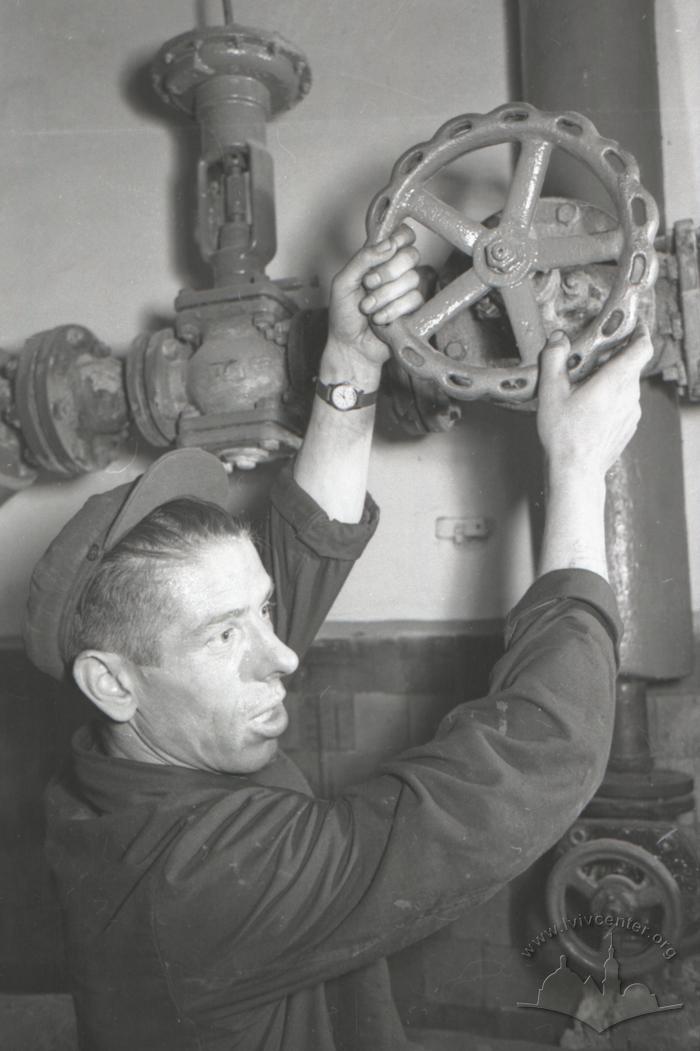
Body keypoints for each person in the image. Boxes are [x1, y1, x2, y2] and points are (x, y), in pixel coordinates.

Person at [24, 223, 651, 1051]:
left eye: (259, 609)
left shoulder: (132, 748)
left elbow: (306, 537)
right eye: (224, 637)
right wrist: (575, 468)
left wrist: (349, 361)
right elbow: (538, 756)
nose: (280, 655)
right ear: (112, 682)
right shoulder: (190, 884)